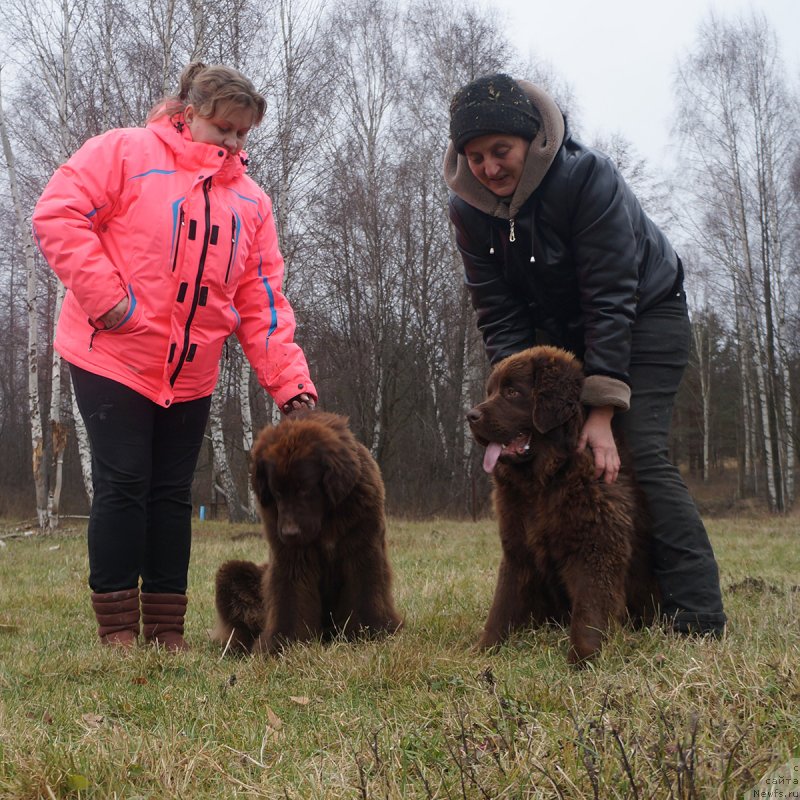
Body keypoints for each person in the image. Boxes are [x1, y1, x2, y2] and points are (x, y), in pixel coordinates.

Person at [33, 62, 317, 650]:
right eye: (223, 128)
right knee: (124, 482)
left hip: (192, 372)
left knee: (170, 494)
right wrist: (111, 303)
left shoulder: (252, 203)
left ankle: (166, 631)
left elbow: (262, 301)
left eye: (242, 133)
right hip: (112, 353)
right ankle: (117, 629)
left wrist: (291, 383)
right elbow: (57, 212)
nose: (232, 143)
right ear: (190, 115)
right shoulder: (125, 152)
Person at [444, 73, 726, 637]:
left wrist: (600, 411)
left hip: (645, 314)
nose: (489, 168)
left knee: (633, 450)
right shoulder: (469, 212)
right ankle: (559, 599)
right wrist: (517, 403)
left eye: (501, 150)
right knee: (545, 460)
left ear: (531, 140)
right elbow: (499, 315)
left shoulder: (586, 178)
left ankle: (697, 614)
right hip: (561, 333)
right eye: (475, 157)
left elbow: (610, 298)